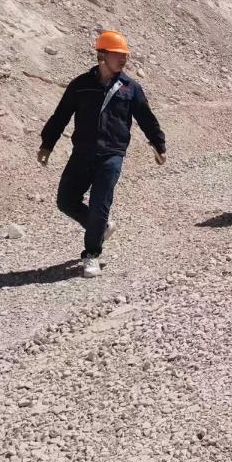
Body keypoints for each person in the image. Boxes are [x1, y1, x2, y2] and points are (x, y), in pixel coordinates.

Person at [38, 30, 167, 278]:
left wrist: (158, 145)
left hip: (112, 154)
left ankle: (92, 254)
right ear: (102, 55)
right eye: (118, 54)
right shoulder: (80, 85)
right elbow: (61, 115)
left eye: (125, 54)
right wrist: (47, 144)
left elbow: (146, 118)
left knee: (100, 203)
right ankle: (101, 227)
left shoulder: (130, 88)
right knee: (65, 201)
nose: (123, 59)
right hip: (82, 152)